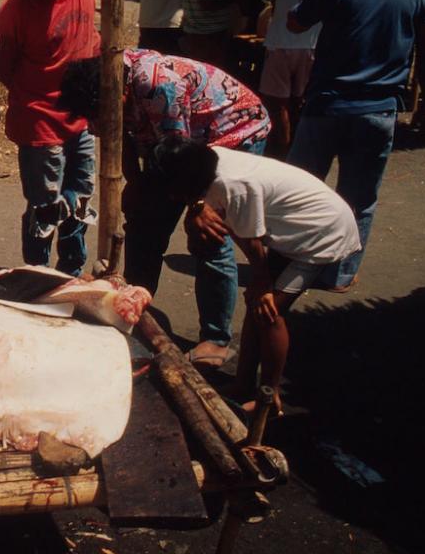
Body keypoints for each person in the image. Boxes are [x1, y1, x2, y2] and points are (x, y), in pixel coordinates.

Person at [58, 50, 271, 366]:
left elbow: (182, 162)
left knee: (208, 236)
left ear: (119, 95)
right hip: (180, 145)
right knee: (144, 226)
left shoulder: (158, 86)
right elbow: (123, 139)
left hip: (231, 133)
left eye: (96, 116)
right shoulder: (108, 86)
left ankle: (216, 339)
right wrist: (136, 184)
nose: (93, 126)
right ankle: (133, 308)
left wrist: (198, 207)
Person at [149, 136, 360, 413]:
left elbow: (252, 242)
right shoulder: (207, 159)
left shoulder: (234, 186)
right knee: (257, 306)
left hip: (318, 234)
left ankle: (270, 398)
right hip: (289, 228)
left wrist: (262, 286)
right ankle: (244, 383)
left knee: (269, 313)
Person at [286, 0, 425, 291]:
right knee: (359, 198)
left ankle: (287, 264)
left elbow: (295, 21)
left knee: (300, 188)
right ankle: (341, 274)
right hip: (378, 110)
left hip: (325, 105)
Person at [0, 0, 100, 274]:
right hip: (39, 118)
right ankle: (37, 274)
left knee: (81, 196)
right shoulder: (14, 10)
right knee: (45, 206)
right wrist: (35, 94)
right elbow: (2, 65)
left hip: (80, 114)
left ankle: (71, 271)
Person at [259, 0, 330, 154]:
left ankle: (282, 148)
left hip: (282, 42)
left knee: (277, 103)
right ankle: (297, 146)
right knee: (300, 100)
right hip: (311, 43)